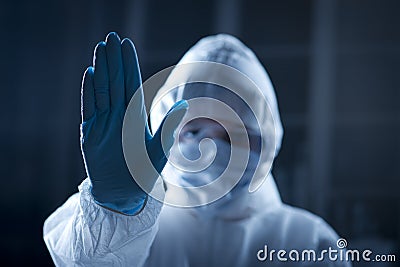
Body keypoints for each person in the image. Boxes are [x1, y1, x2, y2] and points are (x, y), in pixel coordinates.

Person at [43, 32, 351, 266]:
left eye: (235, 136)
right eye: (193, 130)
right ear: (165, 131)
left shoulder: (308, 240)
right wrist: (113, 210)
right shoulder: (135, 229)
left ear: (267, 143)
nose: (212, 148)